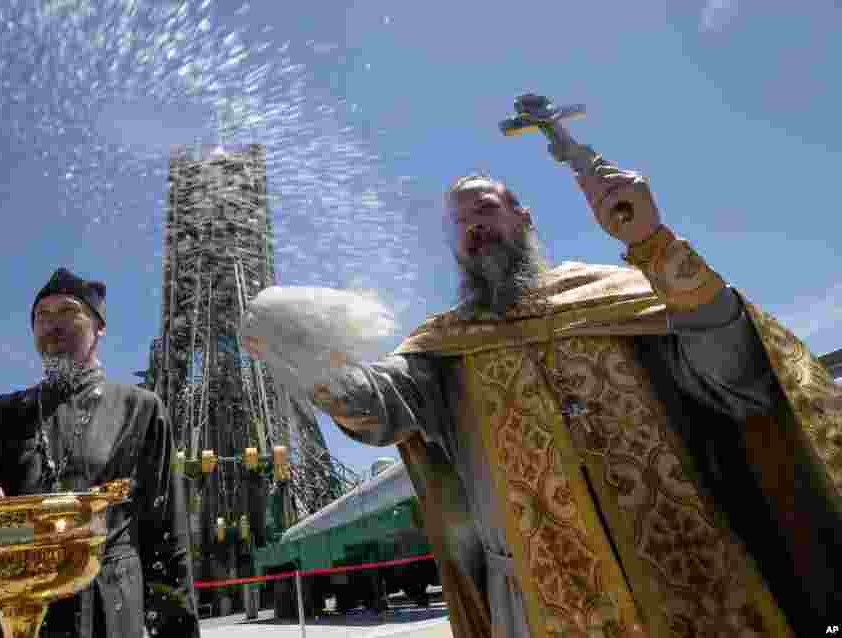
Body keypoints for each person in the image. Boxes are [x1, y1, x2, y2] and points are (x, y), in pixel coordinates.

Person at [243, 132, 842, 636]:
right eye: (459, 222)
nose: (474, 227)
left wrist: (652, 245)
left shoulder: (617, 296)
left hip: (695, 576)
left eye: (485, 208)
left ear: (522, 216)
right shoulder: (443, 347)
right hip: (539, 600)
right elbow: (376, 409)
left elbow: (739, 384)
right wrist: (303, 352)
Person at [0, 268, 199, 638]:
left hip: (102, 609)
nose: (52, 324)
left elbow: (165, 533)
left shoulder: (139, 409)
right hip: (0, 609)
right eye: (41, 316)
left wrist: (174, 628)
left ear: (99, 327)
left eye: (68, 311)